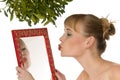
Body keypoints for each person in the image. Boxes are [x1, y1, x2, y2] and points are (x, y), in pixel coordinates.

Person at [16, 14, 120, 80]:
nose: (61, 38)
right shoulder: (84, 77)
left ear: (88, 42)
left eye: (69, 34)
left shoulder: (116, 72)